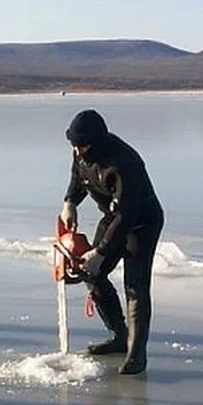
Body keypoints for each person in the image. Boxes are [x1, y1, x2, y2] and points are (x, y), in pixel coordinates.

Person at [59, 109, 164, 375]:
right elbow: (78, 176)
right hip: (113, 216)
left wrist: (101, 251)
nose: (77, 151)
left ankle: (136, 355)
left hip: (141, 223)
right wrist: (70, 202)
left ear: (96, 142)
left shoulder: (123, 162)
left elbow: (126, 217)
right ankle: (119, 334)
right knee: (89, 271)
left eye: (82, 146)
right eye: (74, 145)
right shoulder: (80, 152)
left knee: (135, 287)